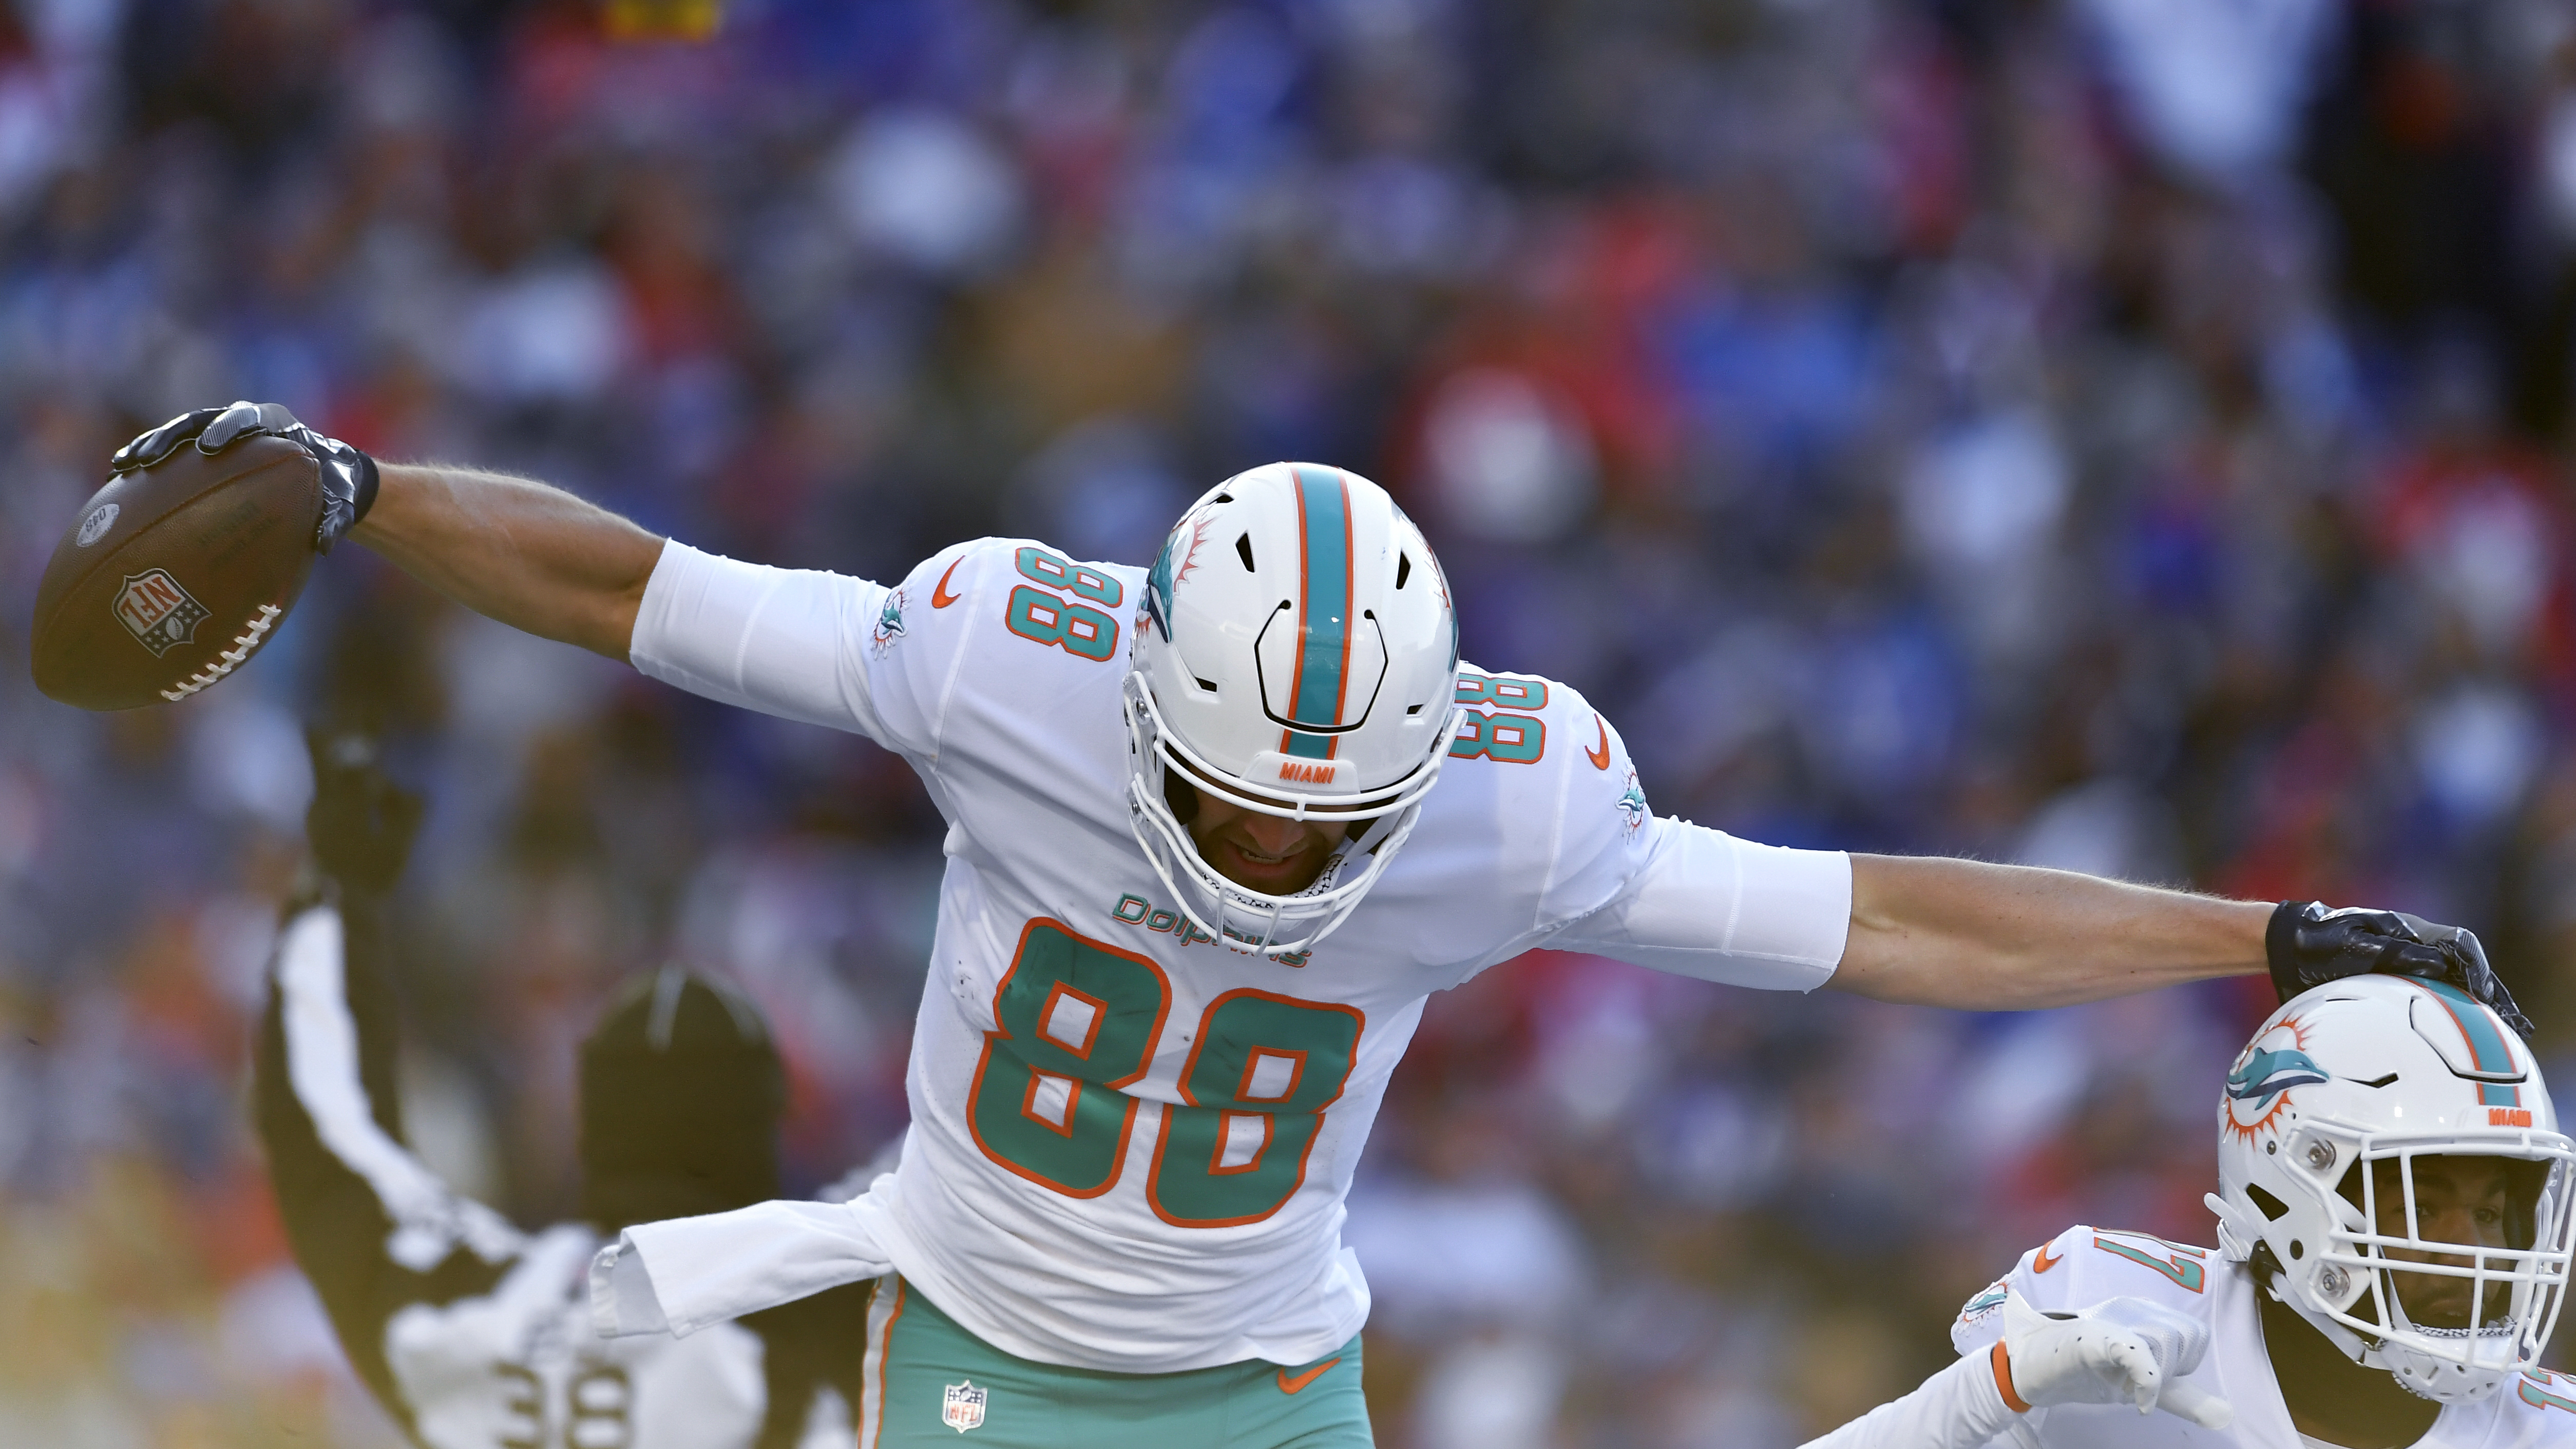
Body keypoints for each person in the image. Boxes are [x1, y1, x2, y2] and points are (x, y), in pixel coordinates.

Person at [124, 401, 2529, 1448]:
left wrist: (2261, 929)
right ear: (1138, 697)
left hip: (1282, 1385)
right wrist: (356, 487)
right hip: (985, 1354)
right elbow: (628, 582)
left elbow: (1889, 918)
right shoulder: (1000, 663)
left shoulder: (1507, 805)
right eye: (1230, 811)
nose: (1272, 859)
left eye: (1327, 828)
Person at [255, 727, 871, 1449]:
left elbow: (328, 1138)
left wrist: (334, 895)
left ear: (590, 1123)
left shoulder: (470, 1305)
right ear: (760, 1129)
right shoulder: (819, 1339)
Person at [1801, 973, 2576, 1448]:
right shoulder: (2099, 1309)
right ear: (2287, 1188)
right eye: (2421, 1202)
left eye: (2491, 1210)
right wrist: (1995, 1389)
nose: (2470, 1247)